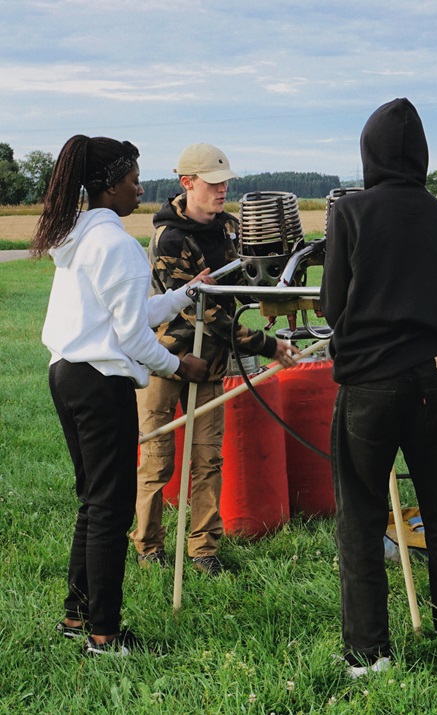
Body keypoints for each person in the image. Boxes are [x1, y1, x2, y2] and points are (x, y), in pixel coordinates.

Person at [321, 98, 437, 675]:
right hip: (436, 383)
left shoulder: (349, 214)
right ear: (418, 156)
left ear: (368, 153)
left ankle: (369, 653)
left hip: (368, 386)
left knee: (361, 518)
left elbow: (331, 305)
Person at [33, 135, 209, 656]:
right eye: (133, 180)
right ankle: (105, 635)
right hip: (99, 384)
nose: (140, 189)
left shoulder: (82, 237)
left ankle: (75, 617)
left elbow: (126, 315)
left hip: (66, 375)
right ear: (111, 186)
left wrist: (184, 294)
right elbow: (131, 338)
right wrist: (182, 364)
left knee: (93, 502)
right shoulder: (117, 245)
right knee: (111, 510)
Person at [131, 143, 297, 576]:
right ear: (187, 183)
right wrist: (268, 345)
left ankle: (203, 550)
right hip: (166, 361)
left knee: (208, 458)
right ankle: (147, 547)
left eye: (226, 182)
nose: (222, 190)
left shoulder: (229, 229)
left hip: (213, 364)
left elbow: (242, 286)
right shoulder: (169, 237)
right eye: (213, 182)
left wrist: (278, 287)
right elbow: (205, 313)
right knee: (157, 458)